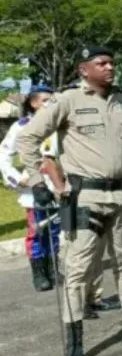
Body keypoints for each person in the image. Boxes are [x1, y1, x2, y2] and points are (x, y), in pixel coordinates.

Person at [16, 45, 122, 356]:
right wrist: (36, 181)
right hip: (84, 199)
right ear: (83, 70)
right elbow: (27, 139)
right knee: (78, 270)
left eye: (112, 62)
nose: (110, 67)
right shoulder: (67, 101)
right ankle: (75, 347)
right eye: (101, 63)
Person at [0, 85, 60, 291]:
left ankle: (53, 269)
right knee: (37, 231)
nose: (50, 105)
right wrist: (17, 178)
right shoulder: (21, 126)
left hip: (59, 185)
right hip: (34, 187)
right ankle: (39, 273)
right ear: (34, 103)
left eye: (53, 101)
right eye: (45, 100)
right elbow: (4, 155)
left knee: (55, 230)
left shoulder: (59, 124)